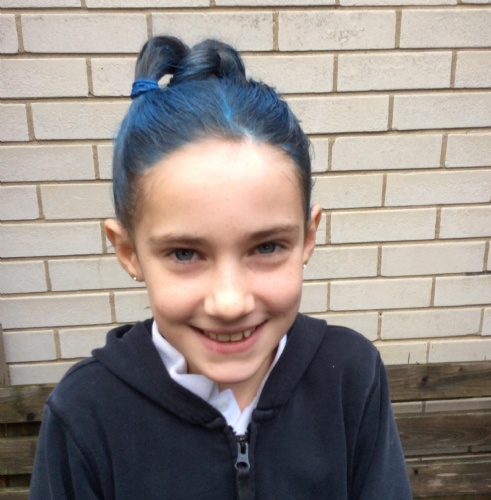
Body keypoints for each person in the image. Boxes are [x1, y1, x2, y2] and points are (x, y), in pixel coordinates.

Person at [30, 36, 412, 499]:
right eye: (184, 254)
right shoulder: (84, 413)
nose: (230, 304)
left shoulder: (350, 376)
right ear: (128, 251)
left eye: (267, 247)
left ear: (308, 238)